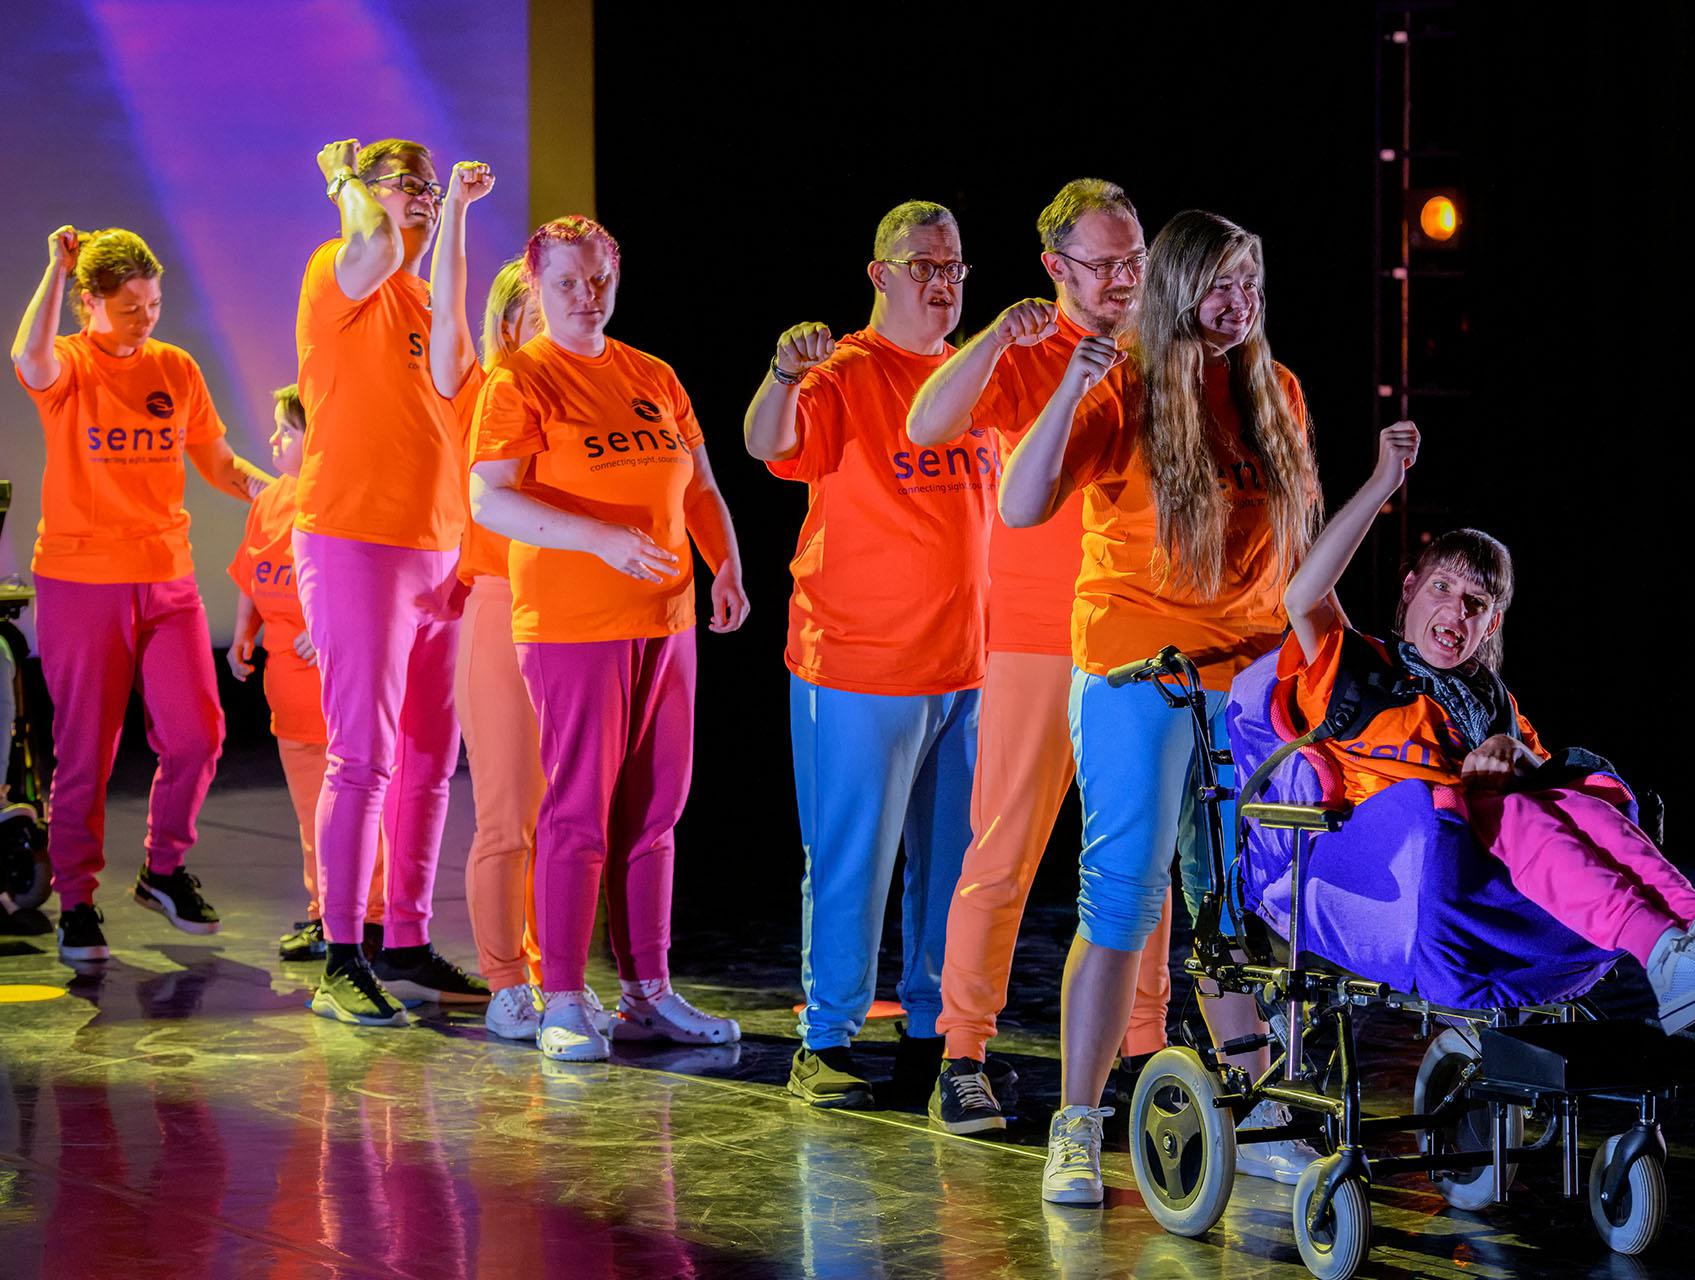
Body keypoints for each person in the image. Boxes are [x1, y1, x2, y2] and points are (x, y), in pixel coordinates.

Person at [1276, 422, 1695, 1043]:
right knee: (1517, 813)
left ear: (1491, 623)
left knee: (1580, 802)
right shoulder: (1354, 664)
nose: (1455, 610)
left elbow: (1547, 783)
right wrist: (1385, 482)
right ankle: (1664, 956)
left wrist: (1515, 754)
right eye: (1442, 586)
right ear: (1410, 587)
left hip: (1479, 864)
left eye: (1476, 603)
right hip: (1392, 857)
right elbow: (1303, 595)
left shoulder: (1489, 697)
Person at [999, 210, 1322, 1204]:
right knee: (1124, 899)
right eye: (1220, 286)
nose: (1239, 305)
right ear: (1178, 289)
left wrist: (1317, 669)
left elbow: (1299, 556)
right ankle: (1077, 1122)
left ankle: (1262, 1102)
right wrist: (1067, 387)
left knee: (1235, 905)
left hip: (1248, 678)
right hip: (1140, 669)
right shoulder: (1129, 388)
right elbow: (1021, 505)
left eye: (1252, 285)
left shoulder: (1279, 392)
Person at [904, 179, 1177, 1136]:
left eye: (1135, 261)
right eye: (1105, 264)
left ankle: (1146, 1051)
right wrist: (992, 339)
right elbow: (926, 424)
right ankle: (964, 1051)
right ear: (1057, 268)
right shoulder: (1029, 356)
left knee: (1143, 862)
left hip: (1140, 638)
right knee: (1004, 849)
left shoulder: (1162, 357)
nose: (1124, 281)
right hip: (1034, 634)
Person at [471, 215, 749, 1063]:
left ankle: (648, 992)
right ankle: (560, 998)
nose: (586, 298)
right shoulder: (521, 379)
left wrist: (726, 566)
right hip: (573, 627)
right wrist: (597, 540)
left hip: (665, 622)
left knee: (657, 812)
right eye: (567, 285)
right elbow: (489, 501)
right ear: (538, 287)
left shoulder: (651, 374)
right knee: (578, 815)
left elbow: (698, 483)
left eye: (598, 281)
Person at [744, 201, 992, 1110]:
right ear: (880, 274)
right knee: (852, 861)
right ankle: (829, 1037)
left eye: (956, 266)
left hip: (966, 668)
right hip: (858, 666)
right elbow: (767, 442)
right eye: (925, 264)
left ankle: (932, 1031)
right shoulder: (846, 369)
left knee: (956, 866)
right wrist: (780, 373)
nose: (943, 282)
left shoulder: (974, 378)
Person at [11, 225, 271, 962]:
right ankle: (78, 900)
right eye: (129, 310)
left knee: (200, 734)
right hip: (81, 579)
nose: (145, 319)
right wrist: (53, 270)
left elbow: (218, 463)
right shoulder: (65, 364)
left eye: (153, 305)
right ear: (88, 304)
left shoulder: (175, 369)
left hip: (167, 578)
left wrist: (279, 492)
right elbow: (24, 356)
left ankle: (162, 870)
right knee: (85, 750)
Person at [294, 137, 493, 1024]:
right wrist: (341, 182)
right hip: (355, 540)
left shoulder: (424, 297)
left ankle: (404, 938)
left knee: (429, 760)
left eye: (423, 181)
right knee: (363, 755)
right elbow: (372, 239)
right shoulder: (341, 268)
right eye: (398, 182)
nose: (414, 195)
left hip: (438, 549)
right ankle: (341, 951)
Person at [226, 386, 388, 961]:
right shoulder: (268, 503)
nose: (272, 440)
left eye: (286, 431)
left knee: (349, 802)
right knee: (307, 811)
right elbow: (250, 572)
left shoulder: (340, 500)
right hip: (287, 690)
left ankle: (370, 916)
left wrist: (332, 630)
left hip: (334, 686)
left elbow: (367, 582)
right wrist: (243, 632)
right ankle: (323, 915)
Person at [454, 261, 547, 1040]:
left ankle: (561, 980)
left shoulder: (591, 393)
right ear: (510, 323)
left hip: (579, 616)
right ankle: (506, 980)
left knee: (568, 819)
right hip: (501, 606)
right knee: (508, 815)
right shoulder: (483, 389)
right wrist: (453, 212)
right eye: (538, 313)